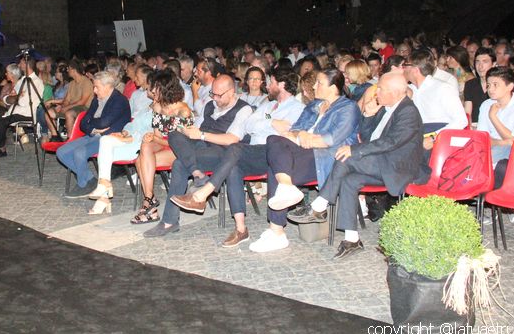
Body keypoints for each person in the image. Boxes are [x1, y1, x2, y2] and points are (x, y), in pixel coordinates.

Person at [288, 73, 427, 259]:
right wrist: (369, 116)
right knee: (349, 180)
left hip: (397, 167)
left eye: (381, 89)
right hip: (380, 162)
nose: (376, 92)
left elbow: (391, 142)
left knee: (346, 157)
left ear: (395, 92)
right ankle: (352, 239)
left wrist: (355, 150)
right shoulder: (386, 108)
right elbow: (370, 138)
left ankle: (319, 205)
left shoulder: (408, 112)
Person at [171, 66, 305, 247]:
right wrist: (272, 122)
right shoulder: (268, 105)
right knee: (234, 167)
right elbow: (250, 125)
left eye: (271, 82)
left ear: (281, 84)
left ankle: (202, 194)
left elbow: (286, 131)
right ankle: (241, 229)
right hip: (253, 150)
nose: (267, 85)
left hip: (273, 153)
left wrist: (265, 123)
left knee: (234, 148)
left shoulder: (297, 108)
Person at [245, 68, 360, 252]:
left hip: (327, 160)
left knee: (277, 166)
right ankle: (285, 189)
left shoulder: (348, 108)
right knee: (274, 141)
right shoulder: (315, 105)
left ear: (333, 88)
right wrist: (301, 136)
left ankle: (277, 231)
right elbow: (296, 128)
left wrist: (306, 139)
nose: (314, 86)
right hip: (304, 151)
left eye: (319, 83)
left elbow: (331, 140)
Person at [143, 74, 253, 238]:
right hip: (202, 146)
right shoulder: (211, 105)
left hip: (222, 151)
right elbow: (196, 127)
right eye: (212, 94)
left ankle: (169, 221)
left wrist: (200, 135)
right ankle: (197, 173)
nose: (214, 98)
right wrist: (185, 130)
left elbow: (232, 140)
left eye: (218, 95)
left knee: (179, 164)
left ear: (231, 92)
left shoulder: (244, 109)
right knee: (174, 134)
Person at [131, 71, 194, 224]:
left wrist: (156, 139)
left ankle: (149, 205)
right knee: (145, 146)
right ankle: (150, 199)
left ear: (166, 89)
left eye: (155, 88)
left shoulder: (183, 111)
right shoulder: (158, 107)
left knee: (140, 161)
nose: (151, 92)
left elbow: (182, 142)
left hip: (180, 149)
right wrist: (151, 138)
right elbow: (158, 135)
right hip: (164, 145)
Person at [57, 71, 131, 198]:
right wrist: (94, 128)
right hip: (93, 135)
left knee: (79, 153)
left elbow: (103, 123)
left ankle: (83, 185)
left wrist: (92, 124)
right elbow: (83, 123)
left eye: (97, 87)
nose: (94, 90)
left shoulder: (119, 100)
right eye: (94, 87)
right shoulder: (97, 100)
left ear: (108, 86)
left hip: (108, 138)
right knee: (61, 152)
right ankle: (89, 179)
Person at [476, 67, 514, 187]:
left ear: (510, 86)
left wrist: (493, 117)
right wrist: (502, 142)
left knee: (489, 163)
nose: (490, 89)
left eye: (495, 85)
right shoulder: (486, 104)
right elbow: (482, 138)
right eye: (488, 85)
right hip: (494, 148)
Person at [0, 61, 44, 157]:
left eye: (21, 63)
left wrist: (15, 98)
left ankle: (0, 148)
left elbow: (24, 102)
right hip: (14, 112)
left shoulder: (36, 82)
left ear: (26, 64)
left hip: (26, 114)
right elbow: (6, 99)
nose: (19, 65)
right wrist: (17, 97)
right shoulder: (22, 81)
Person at [463, 47, 495, 124]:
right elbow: (468, 112)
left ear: (493, 64)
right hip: (475, 126)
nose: (480, 66)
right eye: (477, 62)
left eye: (485, 62)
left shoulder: (500, 85)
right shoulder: (470, 84)